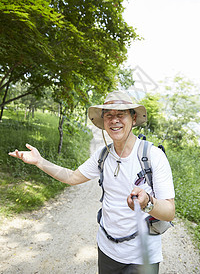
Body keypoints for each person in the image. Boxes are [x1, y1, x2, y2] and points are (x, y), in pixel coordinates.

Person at [9, 90, 175, 274]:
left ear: (133, 118)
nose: (114, 120)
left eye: (121, 114)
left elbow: (169, 212)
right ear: (103, 121)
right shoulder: (102, 155)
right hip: (107, 250)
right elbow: (72, 177)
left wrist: (147, 202)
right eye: (109, 115)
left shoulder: (153, 156)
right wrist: (40, 162)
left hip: (143, 257)